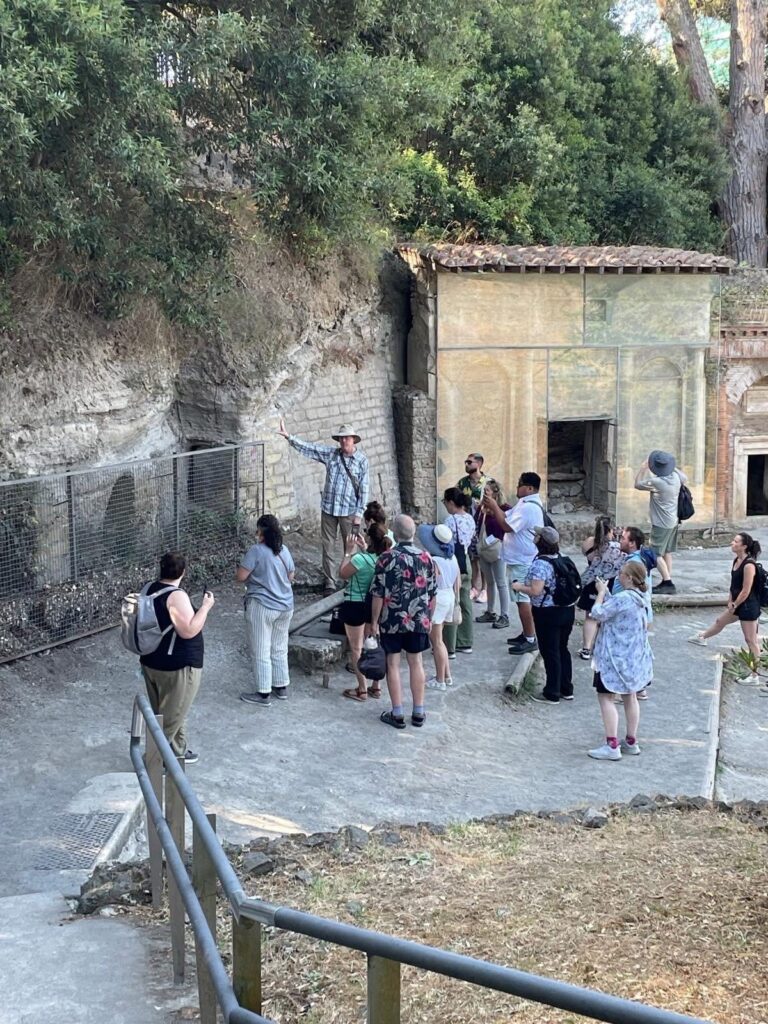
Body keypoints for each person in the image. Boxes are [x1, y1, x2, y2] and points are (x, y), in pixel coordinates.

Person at [277, 418, 369, 594]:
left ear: (353, 440)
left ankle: (351, 579)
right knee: (328, 546)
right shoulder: (332, 455)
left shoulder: (361, 461)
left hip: (349, 511)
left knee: (351, 546)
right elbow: (310, 449)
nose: (343, 441)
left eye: (347, 438)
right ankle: (330, 582)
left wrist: (359, 514)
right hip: (329, 509)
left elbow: (364, 490)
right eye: (341, 438)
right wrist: (289, 437)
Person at [139, 551, 214, 764]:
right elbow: (188, 631)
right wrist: (206, 608)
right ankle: (153, 761)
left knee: (169, 712)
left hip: (151, 660)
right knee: (171, 717)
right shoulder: (176, 596)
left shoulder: (148, 589)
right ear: (183, 572)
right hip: (177, 665)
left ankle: (178, 752)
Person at [370, 514, 438, 729]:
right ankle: (418, 711)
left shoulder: (386, 558)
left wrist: (374, 622)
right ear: (413, 533)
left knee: (393, 663)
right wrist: (429, 618)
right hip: (418, 618)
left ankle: (397, 712)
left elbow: (378, 594)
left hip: (391, 619)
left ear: (395, 533)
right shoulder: (426, 558)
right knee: (416, 661)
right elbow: (432, 594)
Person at [587, 561, 653, 760]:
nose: (619, 576)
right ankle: (631, 741)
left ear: (629, 578)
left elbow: (597, 613)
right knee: (630, 696)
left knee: (605, 697)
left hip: (613, 657)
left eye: (622, 573)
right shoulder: (641, 597)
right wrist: (608, 594)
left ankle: (612, 745)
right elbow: (616, 609)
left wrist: (601, 593)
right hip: (633, 658)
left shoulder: (623, 598)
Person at [483, 471, 545, 656]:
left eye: (520, 484)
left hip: (523, 560)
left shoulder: (529, 508)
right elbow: (507, 516)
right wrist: (494, 508)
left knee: (522, 600)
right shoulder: (524, 504)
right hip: (519, 558)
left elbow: (507, 526)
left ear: (529, 488)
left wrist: (494, 505)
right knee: (520, 600)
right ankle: (527, 633)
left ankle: (530, 639)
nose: (516, 487)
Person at [236, 514, 295, 708]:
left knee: (260, 649)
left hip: (263, 606)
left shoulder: (256, 551)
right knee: (279, 646)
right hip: (285, 606)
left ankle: (263, 693)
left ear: (261, 531)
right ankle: (281, 685)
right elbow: (290, 575)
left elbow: (241, 576)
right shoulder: (284, 550)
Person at [511, 526, 575, 703]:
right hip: (567, 609)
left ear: (541, 541)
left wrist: (518, 587)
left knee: (550, 651)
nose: (535, 537)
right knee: (562, 649)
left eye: (537, 536)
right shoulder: (563, 558)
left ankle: (552, 692)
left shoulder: (541, 564)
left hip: (547, 613)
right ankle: (566, 688)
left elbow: (536, 590)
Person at [688, 532, 761, 682]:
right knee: (720, 621)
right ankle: (702, 637)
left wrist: (735, 604)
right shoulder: (736, 560)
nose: (732, 543)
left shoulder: (749, 565)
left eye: (736, 541)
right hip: (737, 604)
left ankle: (755, 675)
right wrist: (730, 600)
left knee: (751, 640)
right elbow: (734, 585)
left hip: (748, 606)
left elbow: (746, 590)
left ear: (744, 546)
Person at [338, 523, 392, 702]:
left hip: (354, 602)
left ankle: (361, 689)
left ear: (369, 538)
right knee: (374, 644)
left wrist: (348, 552)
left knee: (356, 648)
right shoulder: (383, 559)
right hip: (373, 603)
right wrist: (364, 548)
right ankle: (376, 686)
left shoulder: (359, 559)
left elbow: (343, 573)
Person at [634, 450, 687, 594]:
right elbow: (685, 477)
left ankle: (668, 582)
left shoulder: (657, 482)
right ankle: (666, 580)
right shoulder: (676, 477)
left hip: (661, 523)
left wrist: (643, 468)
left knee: (654, 553)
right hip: (673, 521)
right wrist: (672, 467)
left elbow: (637, 484)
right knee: (666, 552)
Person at [417, 523, 460, 691]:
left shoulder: (434, 561)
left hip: (438, 597)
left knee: (437, 642)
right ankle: (446, 675)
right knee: (439, 639)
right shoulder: (452, 558)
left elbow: (429, 581)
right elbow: (457, 582)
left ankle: (440, 679)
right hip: (449, 595)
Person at [577, 516, 624, 660]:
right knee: (604, 617)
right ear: (611, 530)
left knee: (590, 616)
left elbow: (587, 554)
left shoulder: (589, 542)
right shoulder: (615, 547)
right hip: (608, 584)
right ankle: (599, 646)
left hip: (592, 582)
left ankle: (586, 649)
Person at [441, 487, 476, 657]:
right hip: (466, 560)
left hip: (453, 561)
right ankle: (466, 641)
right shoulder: (470, 518)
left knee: (452, 601)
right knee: (465, 601)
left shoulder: (450, 520)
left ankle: (450, 645)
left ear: (451, 502)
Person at [474, 480, 512, 629]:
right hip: (484, 548)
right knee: (490, 582)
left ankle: (505, 615)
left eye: (487, 491)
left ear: (495, 493)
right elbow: (477, 526)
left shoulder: (505, 508)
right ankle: (490, 611)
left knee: (501, 582)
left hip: (499, 549)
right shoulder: (481, 509)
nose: (484, 494)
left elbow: (508, 527)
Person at [457, 453, 488, 600]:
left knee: (484, 559)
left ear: (479, 464)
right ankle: (475, 587)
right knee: (473, 558)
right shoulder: (462, 483)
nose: (467, 465)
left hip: (483, 525)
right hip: (468, 526)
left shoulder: (488, 482)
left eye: (470, 462)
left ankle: (485, 589)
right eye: (466, 462)